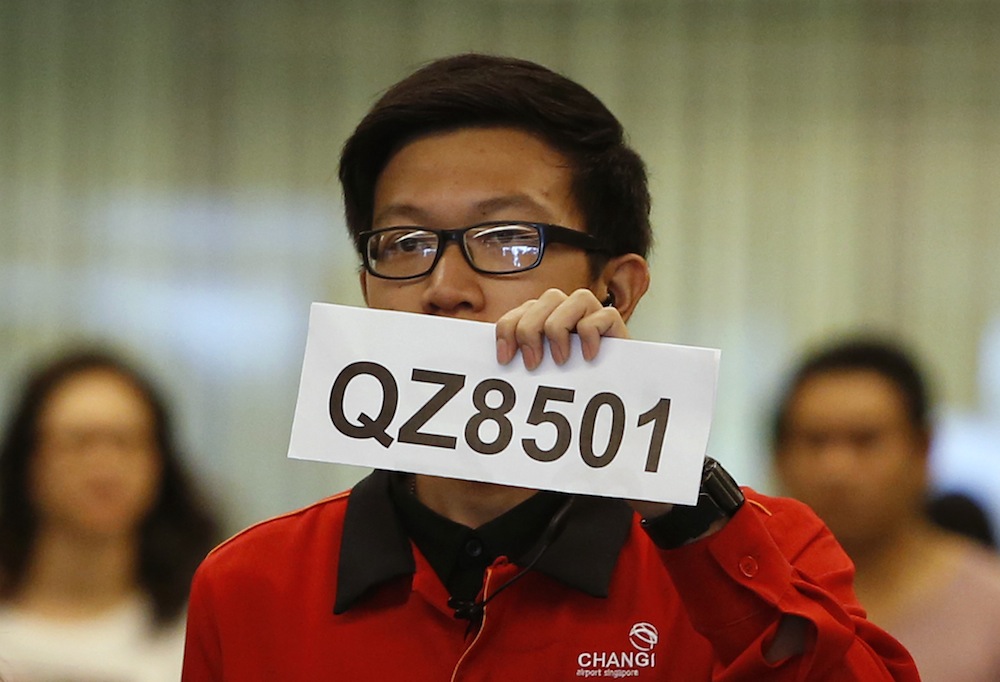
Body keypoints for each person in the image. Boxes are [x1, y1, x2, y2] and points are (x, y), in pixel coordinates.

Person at [182, 54, 918, 680]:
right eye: (404, 243)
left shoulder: (751, 546)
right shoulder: (253, 583)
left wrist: (672, 487)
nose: (445, 289)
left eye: (507, 238)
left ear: (617, 289)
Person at [772, 336, 1000, 682]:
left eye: (865, 440)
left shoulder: (990, 606)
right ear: (780, 457)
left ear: (923, 449)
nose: (836, 469)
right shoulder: (746, 597)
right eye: (815, 441)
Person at [0, 348, 221, 682]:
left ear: (159, 464)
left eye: (126, 442)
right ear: (28, 460)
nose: (104, 467)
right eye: (78, 442)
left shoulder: (200, 629)